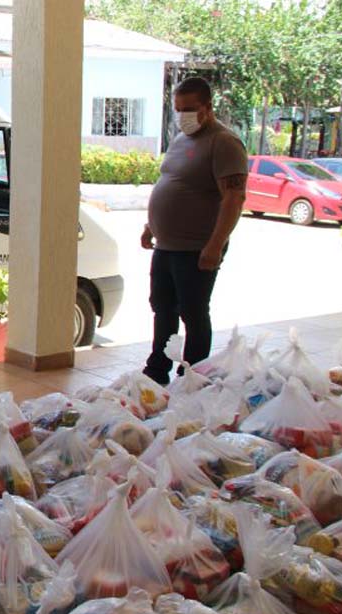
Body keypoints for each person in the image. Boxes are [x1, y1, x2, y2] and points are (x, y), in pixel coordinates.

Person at [141, 77, 248, 385]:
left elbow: (234, 197)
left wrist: (215, 245)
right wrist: (151, 226)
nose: (183, 116)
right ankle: (156, 369)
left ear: (208, 107)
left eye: (189, 109)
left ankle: (193, 375)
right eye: (178, 109)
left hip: (196, 247)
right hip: (166, 243)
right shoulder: (180, 140)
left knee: (193, 313)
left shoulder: (224, 142)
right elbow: (173, 183)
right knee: (162, 308)